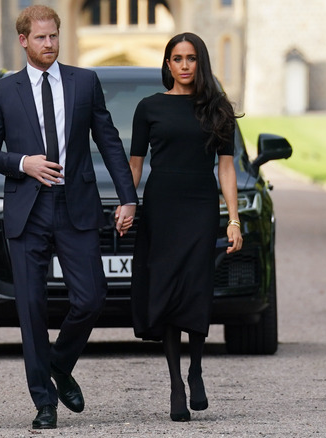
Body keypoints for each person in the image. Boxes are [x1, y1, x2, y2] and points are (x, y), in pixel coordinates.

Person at [0, 5, 137, 429]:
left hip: (75, 205)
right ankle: (44, 403)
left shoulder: (84, 82)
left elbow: (110, 141)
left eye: (54, 36)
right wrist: (23, 163)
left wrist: (128, 197)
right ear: (24, 41)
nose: (49, 44)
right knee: (31, 309)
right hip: (27, 209)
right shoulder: (4, 91)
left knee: (91, 297)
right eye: (41, 38)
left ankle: (59, 364)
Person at [129, 32, 243, 422]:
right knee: (166, 288)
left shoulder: (217, 109)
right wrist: (129, 204)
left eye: (190, 58)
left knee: (195, 286)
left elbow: (226, 168)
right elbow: (135, 164)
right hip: (161, 208)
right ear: (167, 64)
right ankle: (176, 382)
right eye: (176, 58)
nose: (183, 65)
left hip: (199, 207)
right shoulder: (148, 108)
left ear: (200, 63)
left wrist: (233, 219)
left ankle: (196, 370)